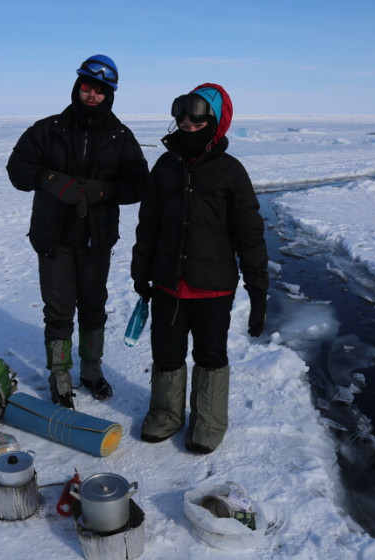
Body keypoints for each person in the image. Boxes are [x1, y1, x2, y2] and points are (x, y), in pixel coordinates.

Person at [130, 83, 268, 453]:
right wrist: (141, 272)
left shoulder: (231, 172)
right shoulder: (165, 167)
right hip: (167, 283)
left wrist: (258, 291)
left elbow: (250, 235)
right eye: (182, 118)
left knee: (210, 355)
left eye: (197, 119)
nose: (188, 125)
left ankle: (208, 421)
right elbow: (148, 225)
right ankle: (166, 414)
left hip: (213, 287)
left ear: (216, 122)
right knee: (166, 354)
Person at [7, 54, 149, 409]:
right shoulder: (48, 129)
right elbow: (17, 168)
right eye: (87, 86)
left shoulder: (120, 136)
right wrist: (48, 178)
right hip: (54, 238)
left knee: (93, 308)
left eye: (100, 90)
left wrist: (103, 191)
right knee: (58, 312)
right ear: (77, 86)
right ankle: (59, 376)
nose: (92, 94)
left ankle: (91, 370)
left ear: (110, 94)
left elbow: (139, 182)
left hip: (96, 241)